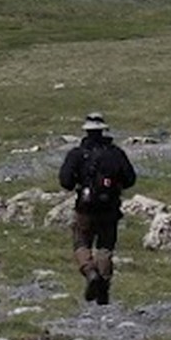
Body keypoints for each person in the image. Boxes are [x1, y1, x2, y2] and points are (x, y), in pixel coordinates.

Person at [58, 112, 138, 304]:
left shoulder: (77, 154)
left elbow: (65, 181)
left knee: (81, 243)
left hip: (84, 208)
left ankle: (89, 270)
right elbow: (130, 179)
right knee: (105, 246)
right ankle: (103, 285)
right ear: (104, 131)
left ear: (86, 131)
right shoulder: (115, 154)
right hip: (110, 207)